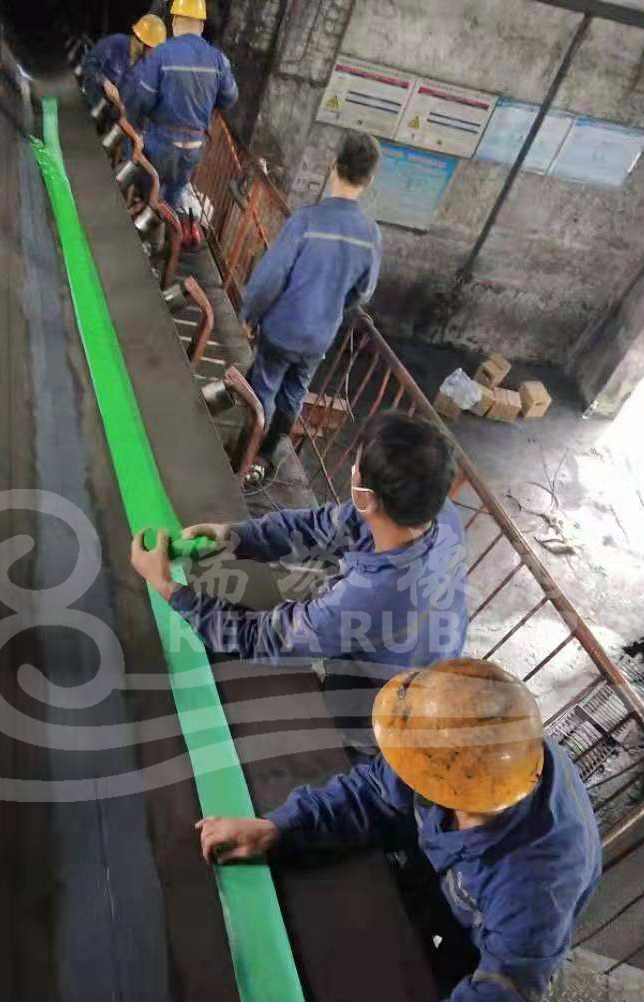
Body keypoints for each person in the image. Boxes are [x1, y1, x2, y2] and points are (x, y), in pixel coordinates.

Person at [196, 659, 602, 1002]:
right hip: (453, 873)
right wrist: (279, 827)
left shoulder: (532, 893)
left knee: (444, 995)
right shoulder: (464, 749)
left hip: (488, 924)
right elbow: (375, 789)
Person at [129, 411, 468, 680]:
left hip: (384, 698)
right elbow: (321, 526)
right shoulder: (436, 511)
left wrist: (170, 589)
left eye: (356, 467)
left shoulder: (368, 597)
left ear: (366, 497)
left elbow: (267, 639)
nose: (352, 470)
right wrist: (235, 536)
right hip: (424, 650)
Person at [242, 132, 382, 478]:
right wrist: (333, 306)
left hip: (282, 329)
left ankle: (243, 453)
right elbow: (364, 292)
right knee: (294, 393)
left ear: (333, 166)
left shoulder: (306, 221)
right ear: (369, 180)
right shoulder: (370, 234)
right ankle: (267, 456)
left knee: (264, 388)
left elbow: (269, 279)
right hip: (319, 337)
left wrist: (250, 315)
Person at [123, 0, 238, 249]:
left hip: (162, 141)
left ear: (174, 22)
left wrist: (131, 129)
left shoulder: (162, 53)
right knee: (172, 196)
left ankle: (134, 232)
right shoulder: (218, 60)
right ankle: (157, 244)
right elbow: (230, 97)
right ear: (201, 25)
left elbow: (142, 98)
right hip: (194, 148)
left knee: (144, 179)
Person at [80, 13, 167, 109]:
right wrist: (105, 83)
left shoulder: (146, 65)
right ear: (141, 41)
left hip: (112, 111)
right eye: (152, 48)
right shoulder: (115, 43)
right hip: (89, 100)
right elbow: (87, 62)